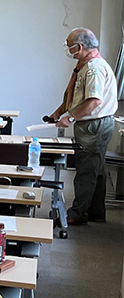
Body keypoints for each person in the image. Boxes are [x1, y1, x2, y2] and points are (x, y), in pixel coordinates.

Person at [49, 27, 119, 225]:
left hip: (93, 125)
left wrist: (69, 117)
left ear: (79, 47)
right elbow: (77, 96)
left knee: (86, 169)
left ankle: (77, 214)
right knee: (96, 169)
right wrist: (59, 112)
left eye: (69, 45)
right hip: (93, 123)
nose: (67, 48)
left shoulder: (93, 68)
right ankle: (95, 211)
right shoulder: (85, 65)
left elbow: (93, 101)